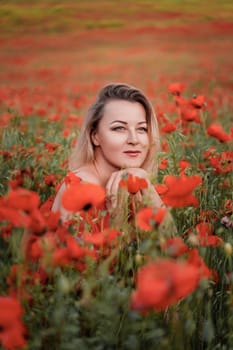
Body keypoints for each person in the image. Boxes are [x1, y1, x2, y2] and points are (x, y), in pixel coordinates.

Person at [52, 83, 170, 228]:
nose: (134, 140)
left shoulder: (134, 182)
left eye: (142, 129)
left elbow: (175, 246)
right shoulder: (79, 189)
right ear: (95, 136)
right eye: (119, 128)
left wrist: (148, 188)